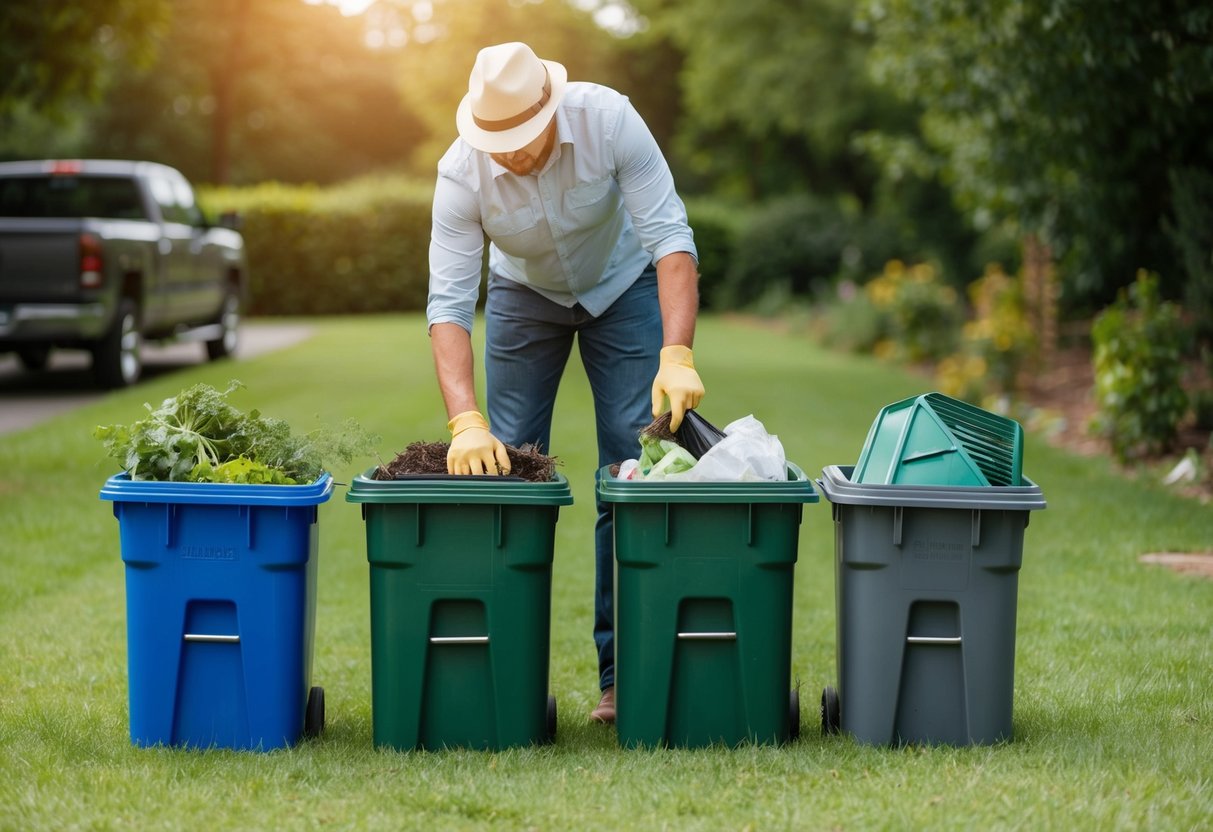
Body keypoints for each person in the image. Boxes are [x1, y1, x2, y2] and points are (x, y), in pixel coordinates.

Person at [426, 41, 704, 724]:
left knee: (630, 470)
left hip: (623, 284)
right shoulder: (461, 173)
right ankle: (506, 677)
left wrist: (677, 353)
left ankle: (624, 678)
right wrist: (466, 421)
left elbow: (670, 238)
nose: (512, 154)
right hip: (524, 299)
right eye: (500, 144)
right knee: (510, 475)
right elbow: (449, 305)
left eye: (523, 138)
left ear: (550, 107)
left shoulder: (608, 120)